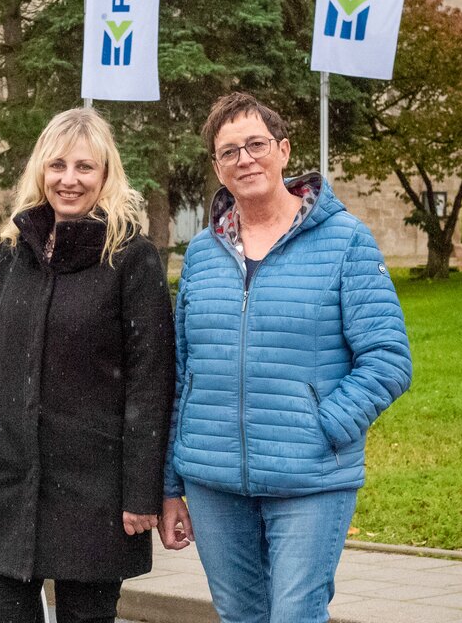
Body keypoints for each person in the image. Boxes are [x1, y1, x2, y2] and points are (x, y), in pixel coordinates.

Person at [158, 92, 413, 623]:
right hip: (213, 479)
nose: (245, 159)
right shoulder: (203, 255)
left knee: (296, 613)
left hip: (310, 479)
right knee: (239, 616)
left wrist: (323, 426)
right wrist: (171, 484)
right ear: (217, 168)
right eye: (230, 152)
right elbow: (180, 374)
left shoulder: (345, 242)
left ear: (283, 151)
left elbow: (387, 359)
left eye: (256, 144)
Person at [0, 107, 175, 623]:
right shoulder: (13, 253)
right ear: (40, 171)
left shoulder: (132, 259)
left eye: (84, 168)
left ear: (105, 175)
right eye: (57, 166)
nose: (68, 180)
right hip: (9, 479)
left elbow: (150, 380)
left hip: (95, 492)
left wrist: (142, 492)